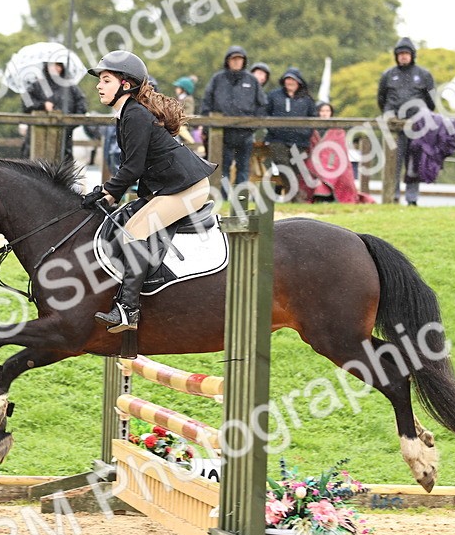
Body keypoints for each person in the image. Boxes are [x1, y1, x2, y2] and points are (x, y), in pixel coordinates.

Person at [81, 51, 216, 333]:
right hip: (172, 185)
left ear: (126, 84)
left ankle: (128, 310)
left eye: (106, 80)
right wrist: (110, 192)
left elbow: (132, 167)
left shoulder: (135, 115)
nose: (98, 85)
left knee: (135, 230)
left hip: (187, 187)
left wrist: (109, 193)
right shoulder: (127, 114)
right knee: (130, 221)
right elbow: (134, 167)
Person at [377, 37, 435, 205]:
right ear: (396, 56)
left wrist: (421, 117)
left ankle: (412, 198)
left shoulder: (423, 75)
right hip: (394, 126)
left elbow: (432, 100)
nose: (403, 56)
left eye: (406, 53)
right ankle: (393, 196)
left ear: (412, 55)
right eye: (400, 54)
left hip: (416, 126)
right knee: (393, 161)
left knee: (414, 163)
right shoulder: (388, 75)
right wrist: (390, 116)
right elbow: (381, 98)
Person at [199, 45, 266, 188]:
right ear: (228, 61)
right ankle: (223, 198)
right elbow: (206, 103)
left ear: (244, 61)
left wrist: (253, 125)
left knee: (243, 169)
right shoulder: (217, 79)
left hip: (245, 134)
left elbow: (262, 105)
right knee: (223, 169)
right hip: (222, 134)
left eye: (239, 59)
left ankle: (240, 199)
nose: (236, 62)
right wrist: (207, 127)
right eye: (233, 59)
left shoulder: (252, 81)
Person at [22, 51, 87, 170]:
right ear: (46, 66)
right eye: (52, 65)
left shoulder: (70, 87)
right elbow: (26, 103)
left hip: (64, 136)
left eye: (58, 65)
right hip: (37, 137)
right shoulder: (36, 85)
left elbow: (81, 106)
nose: (55, 68)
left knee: (62, 170)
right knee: (34, 169)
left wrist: (69, 124)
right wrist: (42, 105)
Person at [263, 67, 317, 200]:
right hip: (277, 139)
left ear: (299, 82)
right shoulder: (274, 95)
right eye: (287, 79)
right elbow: (265, 114)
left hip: (300, 141)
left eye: (292, 79)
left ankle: (292, 198)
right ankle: (297, 197)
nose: (289, 82)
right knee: (283, 166)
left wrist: (305, 133)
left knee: (295, 170)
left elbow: (313, 118)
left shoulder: (307, 99)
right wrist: (273, 129)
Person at [309, 101, 373, 204]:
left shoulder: (337, 130)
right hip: (314, 163)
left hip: (334, 162)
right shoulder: (311, 130)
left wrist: (330, 163)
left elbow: (340, 150)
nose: (325, 113)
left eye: (327, 111)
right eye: (322, 111)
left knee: (343, 175)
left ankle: (332, 197)